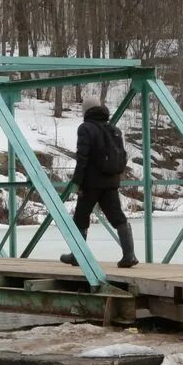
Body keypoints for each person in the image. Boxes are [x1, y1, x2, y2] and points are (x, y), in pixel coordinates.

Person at [60, 96, 139, 269]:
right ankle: (129, 255)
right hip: (111, 182)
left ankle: (77, 255)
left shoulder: (85, 128)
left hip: (91, 184)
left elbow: (83, 158)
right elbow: (122, 156)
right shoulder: (114, 129)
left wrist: (77, 182)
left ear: (85, 111)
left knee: (80, 217)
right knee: (117, 217)